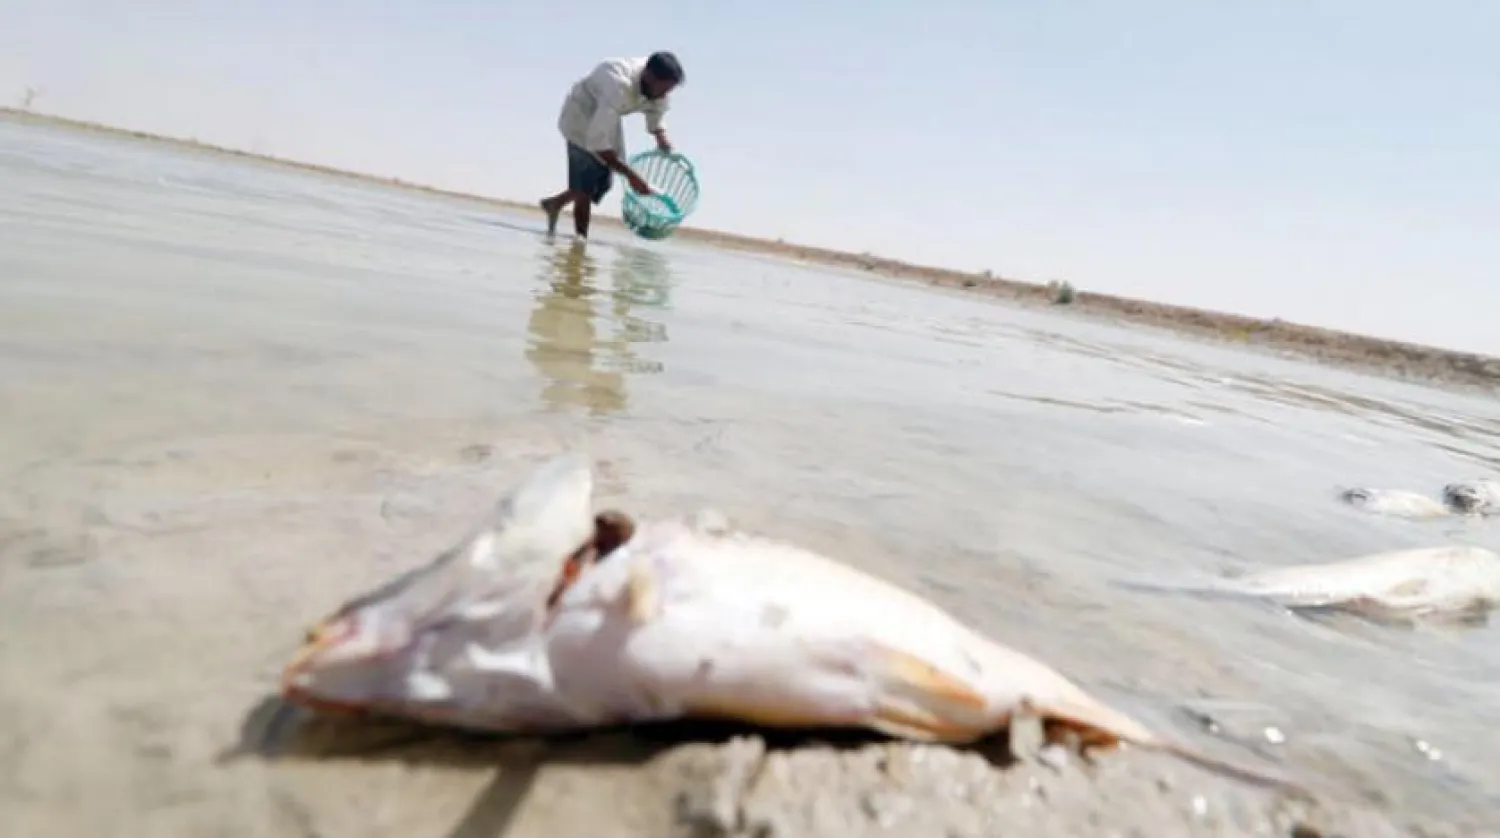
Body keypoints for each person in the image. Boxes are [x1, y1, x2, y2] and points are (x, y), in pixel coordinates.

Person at [539, 52, 685, 239]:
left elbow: (657, 109)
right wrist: (632, 176)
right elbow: (597, 143)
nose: (665, 95)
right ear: (649, 77)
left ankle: (555, 204)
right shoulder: (618, 85)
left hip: (607, 118)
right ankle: (580, 243)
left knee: (602, 184)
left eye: (669, 91)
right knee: (585, 184)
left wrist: (661, 136)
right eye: (663, 89)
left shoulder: (657, 88)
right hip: (580, 115)